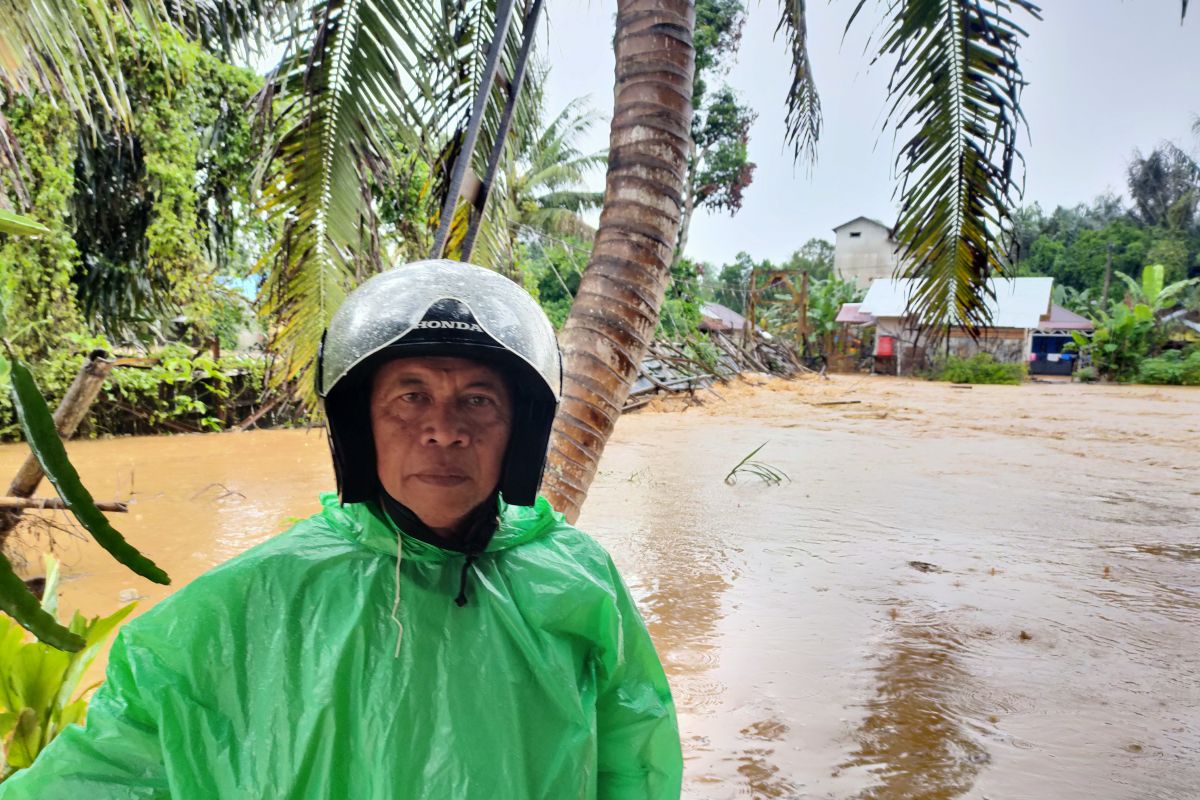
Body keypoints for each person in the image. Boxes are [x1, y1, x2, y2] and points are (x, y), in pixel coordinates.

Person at [1, 260, 683, 798]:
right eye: (410, 396)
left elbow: (635, 761)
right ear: (362, 430)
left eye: (478, 400)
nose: (445, 429)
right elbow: (109, 764)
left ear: (520, 433)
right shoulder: (256, 596)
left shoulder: (578, 579)